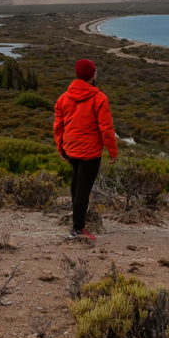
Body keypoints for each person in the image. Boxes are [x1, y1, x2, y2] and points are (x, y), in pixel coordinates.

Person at [53, 57, 118, 240]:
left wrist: (61, 148)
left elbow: (58, 125)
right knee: (83, 189)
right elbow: (106, 128)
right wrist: (113, 151)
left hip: (71, 149)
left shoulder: (64, 98)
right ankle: (77, 228)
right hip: (90, 153)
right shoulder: (99, 98)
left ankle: (78, 214)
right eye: (95, 71)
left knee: (76, 183)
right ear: (91, 75)